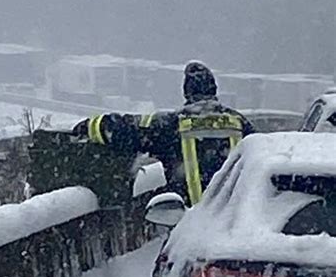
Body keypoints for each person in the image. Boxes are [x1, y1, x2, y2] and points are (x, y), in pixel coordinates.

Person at [72, 62, 254, 205]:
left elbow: (126, 129)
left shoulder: (170, 125)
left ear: (187, 92)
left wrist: (91, 126)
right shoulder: (240, 123)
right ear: (214, 89)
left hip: (190, 222)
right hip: (235, 221)